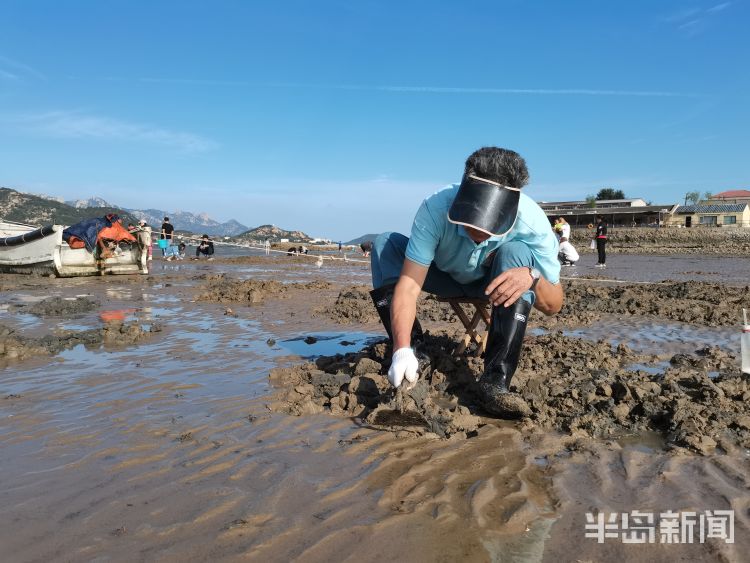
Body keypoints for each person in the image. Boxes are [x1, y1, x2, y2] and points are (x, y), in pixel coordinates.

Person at [370, 147, 563, 418]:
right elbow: (409, 286)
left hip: (492, 286)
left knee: (516, 253)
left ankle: (495, 381)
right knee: (384, 245)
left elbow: (554, 304)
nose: (479, 234)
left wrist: (532, 276)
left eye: (490, 227)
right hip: (443, 276)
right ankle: (415, 353)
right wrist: (401, 349)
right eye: (472, 222)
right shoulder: (435, 209)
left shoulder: (532, 223)